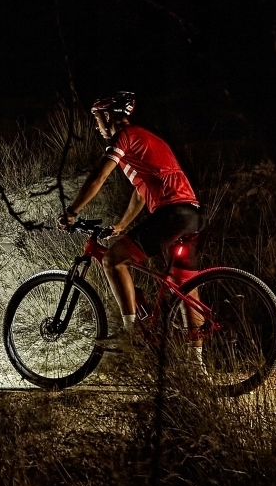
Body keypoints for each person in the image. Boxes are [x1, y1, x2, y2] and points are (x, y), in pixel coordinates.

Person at [58, 91, 202, 340]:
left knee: (113, 260)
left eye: (96, 118)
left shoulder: (124, 136)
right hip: (192, 214)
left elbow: (99, 176)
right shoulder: (148, 138)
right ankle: (196, 358)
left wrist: (72, 212)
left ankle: (130, 336)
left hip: (172, 213)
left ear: (106, 116)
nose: (96, 126)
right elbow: (139, 192)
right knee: (185, 285)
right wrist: (121, 224)